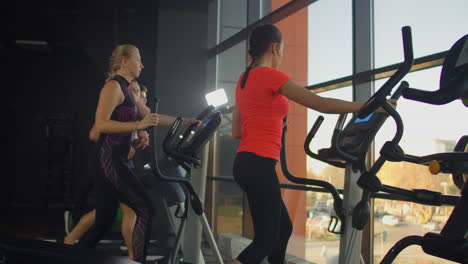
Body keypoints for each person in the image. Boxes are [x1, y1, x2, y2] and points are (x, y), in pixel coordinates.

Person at [231, 24, 396, 264]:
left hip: (245, 162)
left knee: (282, 230)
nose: (283, 55)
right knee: (265, 239)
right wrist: (369, 107)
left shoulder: (243, 79)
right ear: (275, 47)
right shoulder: (270, 76)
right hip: (258, 163)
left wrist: (271, 120)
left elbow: (237, 131)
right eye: (283, 50)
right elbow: (321, 104)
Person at [77, 44, 199, 264]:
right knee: (145, 210)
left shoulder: (128, 90)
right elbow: (101, 124)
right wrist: (137, 126)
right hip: (109, 160)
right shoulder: (113, 87)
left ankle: (73, 257)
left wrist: (185, 122)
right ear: (124, 61)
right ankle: (138, 261)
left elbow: (153, 117)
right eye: (138, 59)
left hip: (117, 160)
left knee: (104, 221)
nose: (142, 64)